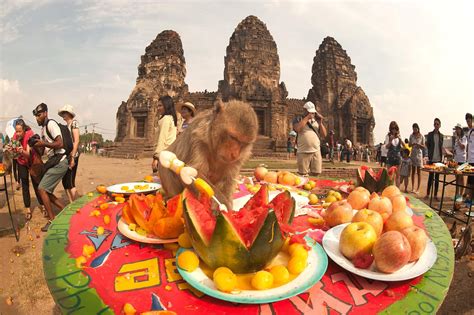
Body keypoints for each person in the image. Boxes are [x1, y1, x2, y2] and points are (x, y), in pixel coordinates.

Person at [32, 103, 68, 231]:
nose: (37, 118)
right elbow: (45, 150)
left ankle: (52, 220)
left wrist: (44, 142)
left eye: (39, 115)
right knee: (45, 190)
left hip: (60, 161)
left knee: (42, 189)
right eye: (36, 115)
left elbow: (60, 143)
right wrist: (37, 145)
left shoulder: (51, 124)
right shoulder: (43, 129)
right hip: (54, 161)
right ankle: (65, 210)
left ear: (45, 113)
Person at [9, 119, 44, 220]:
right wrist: (11, 149)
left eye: (20, 131)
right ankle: (28, 208)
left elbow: (28, 154)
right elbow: (14, 153)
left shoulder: (30, 134)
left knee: (36, 184)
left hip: (32, 161)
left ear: (24, 130)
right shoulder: (15, 136)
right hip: (21, 162)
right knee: (24, 184)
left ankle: (42, 205)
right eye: (16, 131)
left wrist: (21, 151)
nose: (18, 133)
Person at [292, 101, 327, 176]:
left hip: (316, 150)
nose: (312, 114)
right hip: (303, 150)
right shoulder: (298, 119)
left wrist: (320, 123)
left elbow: (324, 134)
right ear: (304, 110)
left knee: (316, 172)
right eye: (309, 112)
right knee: (303, 174)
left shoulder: (316, 121)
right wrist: (307, 118)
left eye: (313, 112)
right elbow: (297, 129)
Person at [58, 104, 80, 202]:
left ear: (69, 114)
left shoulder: (74, 123)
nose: (63, 115)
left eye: (64, 113)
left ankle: (76, 204)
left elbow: (76, 141)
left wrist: (72, 157)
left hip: (73, 154)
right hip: (67, 154)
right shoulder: (66, 126)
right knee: (65, 181)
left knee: (70, 181)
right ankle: (71, 203)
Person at [151, 96, 178, 172]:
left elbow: (162, 139)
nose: (158, 108)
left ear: (167, 105)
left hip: (163, 155)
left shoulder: (165, 119)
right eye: (157, 106)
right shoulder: (171, 118)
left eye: (160, 106)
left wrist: (156, 158)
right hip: (170, 154)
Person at [425, 118, 444, 201]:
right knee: (430, 177)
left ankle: (435, 195)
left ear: (440, 125)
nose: (436, 125)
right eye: (435, 124)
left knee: (437, 179)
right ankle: (428, 194)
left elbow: (441, 147)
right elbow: (427, 145)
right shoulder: (430, 134)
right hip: (431, 159)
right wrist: (429, 154)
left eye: (437, 124)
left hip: (439, 159)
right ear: (434, 125)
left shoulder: (441, 136)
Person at [451, 123, 467, 201]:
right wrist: (453, 151)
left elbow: (463, 147)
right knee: (457, 178)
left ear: (461, 129)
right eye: (456, 129)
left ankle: (460, 195)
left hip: (462, 160)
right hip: (456, 160)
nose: (457, 130)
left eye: (458, 129)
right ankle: (457, 194)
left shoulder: (464, 138)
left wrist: (458, 140)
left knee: (461, 178)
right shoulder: (456, 139)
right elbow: (456, 148)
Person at [385, 121, 403, 186]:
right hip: (390, 157)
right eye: (392, 128)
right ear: (390, 129)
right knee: (390, 174)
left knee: (398, 175)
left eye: (395, 128)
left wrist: (400, 140)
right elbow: (386, 147)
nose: (394, 130)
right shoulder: (388, 136)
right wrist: (390, 140)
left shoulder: (399, 136)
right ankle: (390, 189)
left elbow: (401, 148)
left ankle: (397, 190)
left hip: (398, 157)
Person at [409, 123, 425, 194]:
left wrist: (419, 145)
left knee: (419, 172)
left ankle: (418, 188)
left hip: (419, 155)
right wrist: (412, 144)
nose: (414, 130)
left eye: (416, 128)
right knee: (413, 172)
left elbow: (424, 146)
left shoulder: (421, 136)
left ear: (418, 129)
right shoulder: (411, 136)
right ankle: (413, 188)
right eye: (413, 128)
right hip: (413, 154)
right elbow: (409, 145)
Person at [465, 113, 474, 202]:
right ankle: (470, 199)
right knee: (470, 181)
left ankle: (471, 199)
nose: (468, 122)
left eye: (469, 120)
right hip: (470, 160)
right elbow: (468, 146)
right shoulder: (469, 132)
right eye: (467, 121)